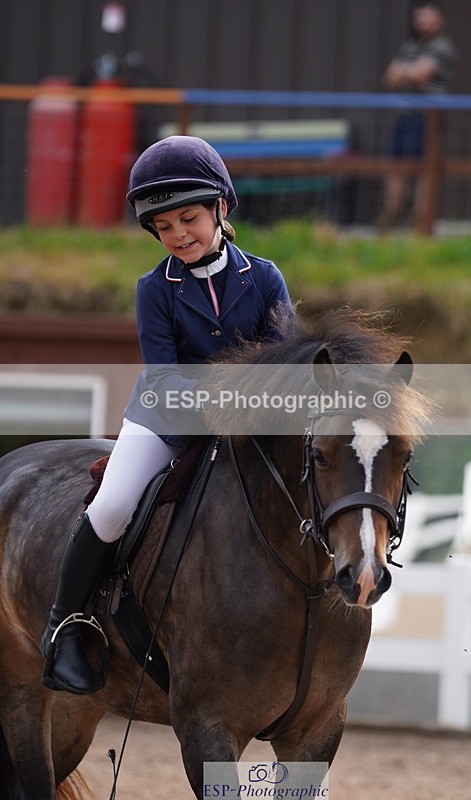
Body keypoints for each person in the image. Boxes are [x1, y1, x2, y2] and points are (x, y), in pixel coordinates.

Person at [41, 135, 294, 695]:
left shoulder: (267, 278)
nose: (179, 235)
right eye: (165, 228)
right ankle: (65, 624)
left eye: (189, 219)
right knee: (110, 507)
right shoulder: (153, 289)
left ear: (220, 210)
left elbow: (282, 364)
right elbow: (165, 375)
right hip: (165, 415)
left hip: (252, 419)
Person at [377, 2, 457, 233]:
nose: (424, 22)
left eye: (429, 17)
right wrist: (408, 73)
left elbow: (421, 74)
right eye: (420, 17)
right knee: (395, 165)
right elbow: (390, 77)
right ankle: (392, 216)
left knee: (425, 169)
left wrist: (405, 72)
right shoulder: (411, 45)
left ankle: (421, 220)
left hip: (427, 118)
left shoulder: (443, 46)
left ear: (440, 20)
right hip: (404, 115)